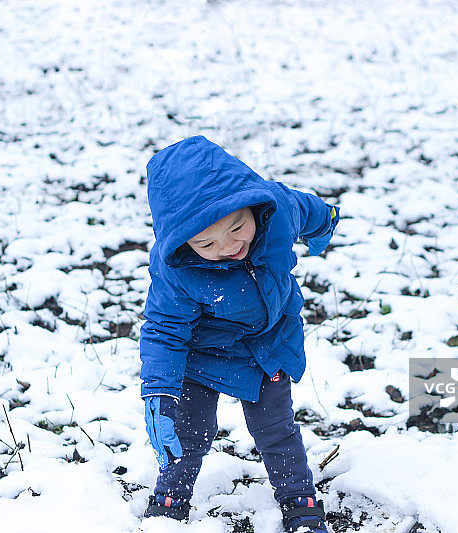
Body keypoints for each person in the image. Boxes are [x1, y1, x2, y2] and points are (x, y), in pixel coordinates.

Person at [140, 136, 339, 533]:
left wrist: (325, 223)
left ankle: (298, 497)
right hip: (202, 357)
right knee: (188, 432)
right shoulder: (178, 271)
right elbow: (164, 331)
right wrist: (159, 392)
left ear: (253, 205)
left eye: (236, 227)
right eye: (207, 243)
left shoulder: (278, 210)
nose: (230, 245)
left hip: (268, 345)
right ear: (183, 243)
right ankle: (171, 495)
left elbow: (310, 208)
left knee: (276, 428)